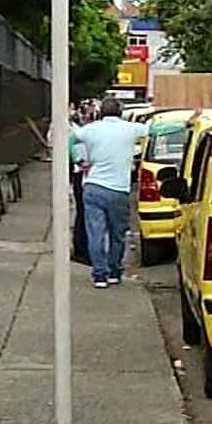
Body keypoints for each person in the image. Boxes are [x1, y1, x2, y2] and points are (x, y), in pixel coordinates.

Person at [69, 98, 148, 287]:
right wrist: (189, 122)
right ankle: (114, 271)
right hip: (118, 189)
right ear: (120, 111)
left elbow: (69, 139)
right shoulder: (131, 129)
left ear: (101, 112)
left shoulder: (90, 129)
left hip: (93, 186)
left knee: (95, 233)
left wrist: (78, 161)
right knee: (117, 233)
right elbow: (157, 130)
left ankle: (99, 275)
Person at [69, 103, 92, 266]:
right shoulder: (71, 129)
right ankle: (81, 250)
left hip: (81, 174)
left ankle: (82, 249)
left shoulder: (75, 128)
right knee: (83, 213)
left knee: (82, 213)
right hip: (81, 175)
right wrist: (79, 161)